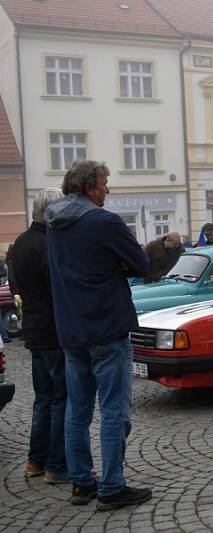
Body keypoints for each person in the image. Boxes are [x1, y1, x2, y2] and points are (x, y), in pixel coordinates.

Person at [44, 160, 151, 510]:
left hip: (71, 330)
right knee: (113, 410)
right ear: (90, 186)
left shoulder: (54, 223)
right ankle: (111, 487)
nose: (108, 189)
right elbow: (141, 264)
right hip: (106, 326)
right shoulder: (104, 221)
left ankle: (81, 483)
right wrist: (115, 265)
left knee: (77, 410)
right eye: (105, 183)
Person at [12, 188, 69, 483]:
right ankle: (56, 465)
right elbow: (58, 289)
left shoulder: (20, 243)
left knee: (43, 399)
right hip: (53, 331)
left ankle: (36, 461)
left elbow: (16, 285)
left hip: (33, 329)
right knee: (60, 399)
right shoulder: (50, 245)